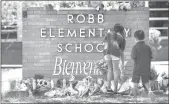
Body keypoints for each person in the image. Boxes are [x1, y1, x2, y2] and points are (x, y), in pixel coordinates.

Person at [103, 24, 126, 93]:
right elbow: (121, 52)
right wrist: (122, 62)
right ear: (121, 30)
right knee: (115, 71)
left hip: (106, 52)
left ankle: (108, 88)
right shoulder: (122, 37)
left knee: (109, 70)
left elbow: (104, 43)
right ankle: (115, 89)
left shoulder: (108, 33)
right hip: (115, 52)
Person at [131, 30, 153, 97]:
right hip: (146, 68)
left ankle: (135, 98)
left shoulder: (135, 47)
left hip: (137, 68)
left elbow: (133, 57)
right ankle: (150, 91)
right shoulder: (148, 47)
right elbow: (151, 57)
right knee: (146, 81)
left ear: (136, 39)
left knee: (135, 83)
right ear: (143, 37)